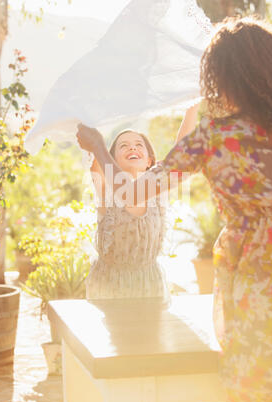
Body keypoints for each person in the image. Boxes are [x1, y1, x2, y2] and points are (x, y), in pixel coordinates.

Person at [76, 16, 272, 402]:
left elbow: (133, 192)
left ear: (223, 78)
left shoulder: (215, 140)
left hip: (259, 294)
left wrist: (102, 150)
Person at [84, 105, 199, 301]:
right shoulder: (106, 190)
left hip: (149, 285)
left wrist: (192, 106)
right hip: (110, 286)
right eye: (123, 146)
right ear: (111, 162)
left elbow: (182, 152)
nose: (132, 147)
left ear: (149, 161)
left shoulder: (158, 188)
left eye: (139, 145)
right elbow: (96, 154)